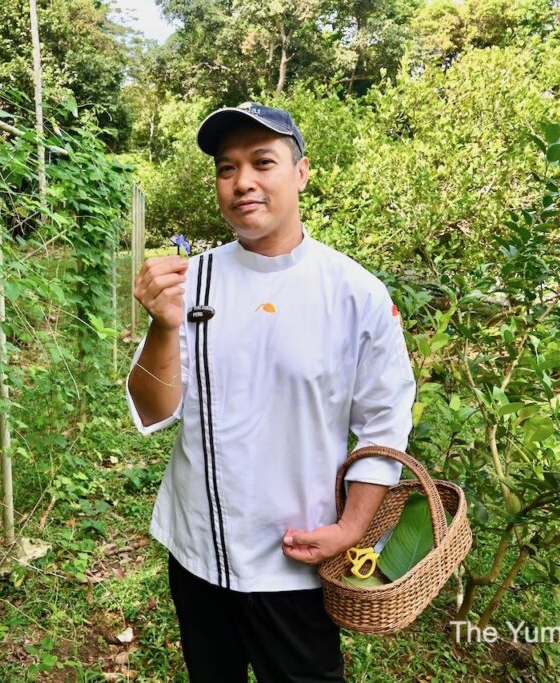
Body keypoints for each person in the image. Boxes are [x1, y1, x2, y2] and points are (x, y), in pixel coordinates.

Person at [125, 102, 417, 682]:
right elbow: (152, 408)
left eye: (263, 162)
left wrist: (351, 528)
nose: (243, 182)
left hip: (296, 560)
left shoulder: (353, 292)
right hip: (198, 550)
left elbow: (385, 423)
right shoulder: (192, 280)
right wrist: (162, 326)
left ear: (301, 172)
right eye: (226, 168)